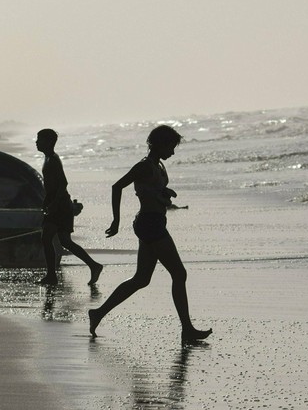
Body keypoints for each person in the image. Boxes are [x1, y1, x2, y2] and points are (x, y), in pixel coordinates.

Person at [88, 125, 212, 345]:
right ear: (159, 144)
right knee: (179, 274)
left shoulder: (158, 165)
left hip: (152, 222)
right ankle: (187, 329)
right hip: (150, 224)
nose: (172, 152)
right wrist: (116, 221)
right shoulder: (144, 166)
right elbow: (117, 187)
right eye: (171, 147)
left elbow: (151, 190)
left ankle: (98, 313)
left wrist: (165, 192)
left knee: (141, 279)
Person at [37, 128, 103, 286]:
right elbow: (51, 185)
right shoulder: (48, 158)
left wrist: (53, 204)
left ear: (49, 142)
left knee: (47, 238)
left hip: (60, 206)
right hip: (57, 203)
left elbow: (63, 183)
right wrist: (46, 201)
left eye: (39, 139)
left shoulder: (53, 159)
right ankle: (94, 266)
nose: (36, 142)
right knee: (64, 241)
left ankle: (52, 276)